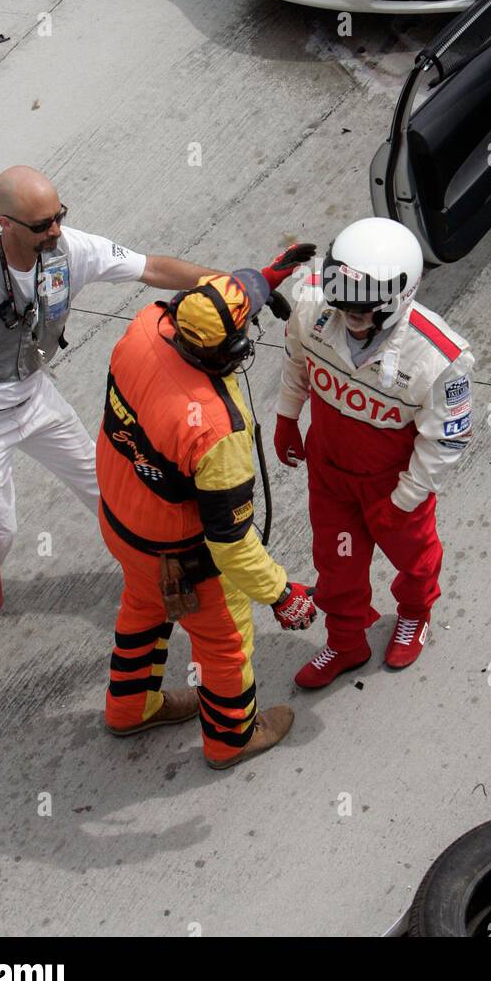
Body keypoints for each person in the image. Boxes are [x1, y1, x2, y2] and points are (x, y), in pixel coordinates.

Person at [0, 165, 232, 637]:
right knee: (0, 532)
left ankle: (151, 573)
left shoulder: (67, 250)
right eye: (42, 225)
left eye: (58, 216)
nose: (55, 230)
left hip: (35, 398)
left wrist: (228, 285)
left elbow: (153, 268)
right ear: (5, 223)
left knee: (108, 486)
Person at [97, 255, 317, 768]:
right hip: (184, 559)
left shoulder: (146, 327)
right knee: (224, 645)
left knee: (145, 608)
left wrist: (261, 281)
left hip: (121, 522)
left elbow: (212, 297)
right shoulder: (217, 434)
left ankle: (130, 708)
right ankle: (231, 738)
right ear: (232, 352)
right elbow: (232, 543)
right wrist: (281, 594)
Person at [274, 217, 474, 688]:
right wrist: (287, 416)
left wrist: (405, 500)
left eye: (364, 302)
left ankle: (414, 612)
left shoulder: (440, 358)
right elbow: (297, 360)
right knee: (335, 561)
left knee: (415, 558)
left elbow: (447, 438)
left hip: (394, 484)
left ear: (402, 292)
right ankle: (346, 643)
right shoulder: (311, 308)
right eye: (340, 291)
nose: (350, 311)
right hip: (329, 474)